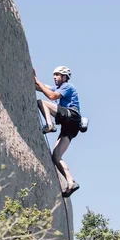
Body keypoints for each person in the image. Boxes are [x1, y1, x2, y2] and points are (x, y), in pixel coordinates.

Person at [35, 65, 82, 197]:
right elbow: (42, 87)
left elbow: (51, 96)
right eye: (54, 75)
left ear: (64, 77)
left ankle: (49, 125)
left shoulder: (68, 86)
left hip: (71, 116)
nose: (55, 77)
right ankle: (71, 182)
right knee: (56, 156)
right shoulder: (59, 88)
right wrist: (34, 78)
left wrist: (37, 81)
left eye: (57, 75)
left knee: (41, 102)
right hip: (71, 127)